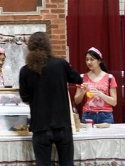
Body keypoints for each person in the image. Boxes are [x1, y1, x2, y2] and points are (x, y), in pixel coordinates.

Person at [19, 32, 83, 166]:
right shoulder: (60, 64)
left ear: (30, 47)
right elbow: (78, 78)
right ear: (48, 45)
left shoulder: (25, 70)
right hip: (62, 125)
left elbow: (25, 99)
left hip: (40, 127)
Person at [74, 47, 117, 124]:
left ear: (99, 61)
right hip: (88, 115)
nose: (89, 62)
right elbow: (76, 101)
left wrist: (100, 94)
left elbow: (114, 102)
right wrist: (83, 92)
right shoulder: (82, 77)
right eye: (87, 59)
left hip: (106, 116)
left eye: (92, 59)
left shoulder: (109, 78)